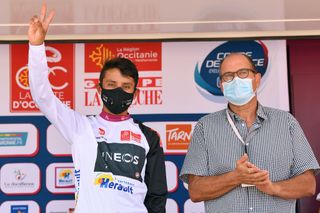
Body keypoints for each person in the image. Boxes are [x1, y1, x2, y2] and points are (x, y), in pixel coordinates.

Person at [28, 3, 167, 213]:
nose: (118, 91)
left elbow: (156, 198)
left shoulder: (149, 137)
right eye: (111, 85)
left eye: (126, 87)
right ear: (98, 89)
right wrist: (37, 46)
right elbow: (42, 95)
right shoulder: (80, 127)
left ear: (135, 94)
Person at [180, 53, 320, 212]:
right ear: (221, 85)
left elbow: (308, 184)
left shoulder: (286, 123)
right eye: (228, 76)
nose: (236, 80)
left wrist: (273, 188)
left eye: (242, 73)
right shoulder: (205, 127)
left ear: (257, 79)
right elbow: (195, 191)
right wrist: (235, 177)